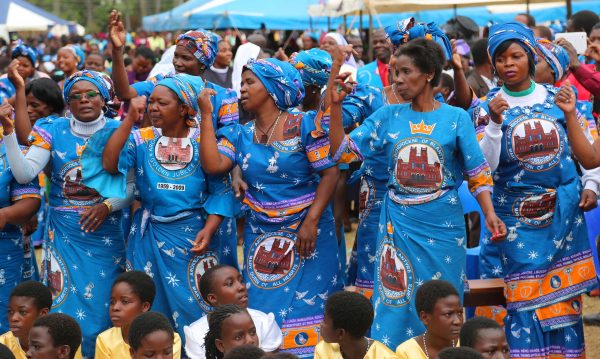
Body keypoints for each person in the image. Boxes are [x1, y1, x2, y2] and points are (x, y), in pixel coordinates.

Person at [328, 37, 505, 350]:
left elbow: (478, 172)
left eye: (405, 72)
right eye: (395, 72)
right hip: (398, 228)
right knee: (395, 299)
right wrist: (336, 106)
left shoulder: (456, 118)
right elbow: (342, 153)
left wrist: (489, 213)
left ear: (428, 74)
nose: (397, 80)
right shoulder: (387, 116)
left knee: (443, 304)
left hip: (444, 229)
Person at [198, 58, 342, 358]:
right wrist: (207, 116)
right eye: (242, 82)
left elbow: (330, 173)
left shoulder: (304, 124)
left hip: (309, 234)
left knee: (311, 306)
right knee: (263, 308)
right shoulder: (240, 133)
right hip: (261, 233)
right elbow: (213, 165)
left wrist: (312, 221)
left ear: (274, 88)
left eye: (251, 82)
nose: (243, 88)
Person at [472, 22, 598, 359]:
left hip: (562, 217)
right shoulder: (487, 106)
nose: (508, 63)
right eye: (500, 58)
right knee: (522, 302)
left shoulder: (558, 99)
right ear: (493, 64)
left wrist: (591, 184)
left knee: (563, 304)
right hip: (515, 222)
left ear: (530, 57)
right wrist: (496, 123)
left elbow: (587, 155)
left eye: (516, 55)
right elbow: (485, 167)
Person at [82, 73, 234, 339]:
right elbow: (109, 163)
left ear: (184, 108)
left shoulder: (203, 140)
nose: (153, 107)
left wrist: (209, 230)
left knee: (194, 307)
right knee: (149, 309)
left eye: (162, 103)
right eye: (151, 102)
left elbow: (220, 191)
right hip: (148, 238)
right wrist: (129, 119)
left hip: (193, 239)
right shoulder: (142, 139)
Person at [2, 70, 132, 358]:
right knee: (63, 304)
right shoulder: (53, 129)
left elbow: (133, 187)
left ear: (104, 98)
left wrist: (107, 205)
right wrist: (9, 132)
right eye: (75, 96)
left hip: (104, 235)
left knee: (102, 305)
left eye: (91, 95)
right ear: (67, 102)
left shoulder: (119, 130)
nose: (83, 100)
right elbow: (24, 172)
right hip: (64, 234)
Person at [108, 11, 240, 268]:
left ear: (203, 63)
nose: (177, 62)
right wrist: (117, 50)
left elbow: (229, 147)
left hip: (207, 191)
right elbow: (125, 92)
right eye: (176, 55)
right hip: (163, 181)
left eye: (185, 57)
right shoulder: (163, 84)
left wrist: (234, 177)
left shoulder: (224, 97)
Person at [184, 265, 282, 359]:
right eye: (230, 284)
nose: (241, 287)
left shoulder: (264, 321)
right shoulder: (195, 333)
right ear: (213, 298)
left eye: (241, 281)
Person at [95, 271, 182, 358]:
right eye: (112, 302)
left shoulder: (169, 338)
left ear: (145, 306)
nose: (115, 307)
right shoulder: (105, 340)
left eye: (125, 301)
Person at [315, 291, 396, 358]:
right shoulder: (323, 350)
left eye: (324, 321)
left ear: (340, 333)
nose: (320, 324)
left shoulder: (385, 356)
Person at [394, 281, 462, 359]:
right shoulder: (407, 352)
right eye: (448, 314)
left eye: (460, 313)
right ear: (425, 317)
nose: (458, 321)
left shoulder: (467, 345)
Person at [0, 282, 63, 359]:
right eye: (10, 311)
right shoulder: (2, 345)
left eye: (23, 312)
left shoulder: (63, 342)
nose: (13, 318)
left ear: (43, 313)